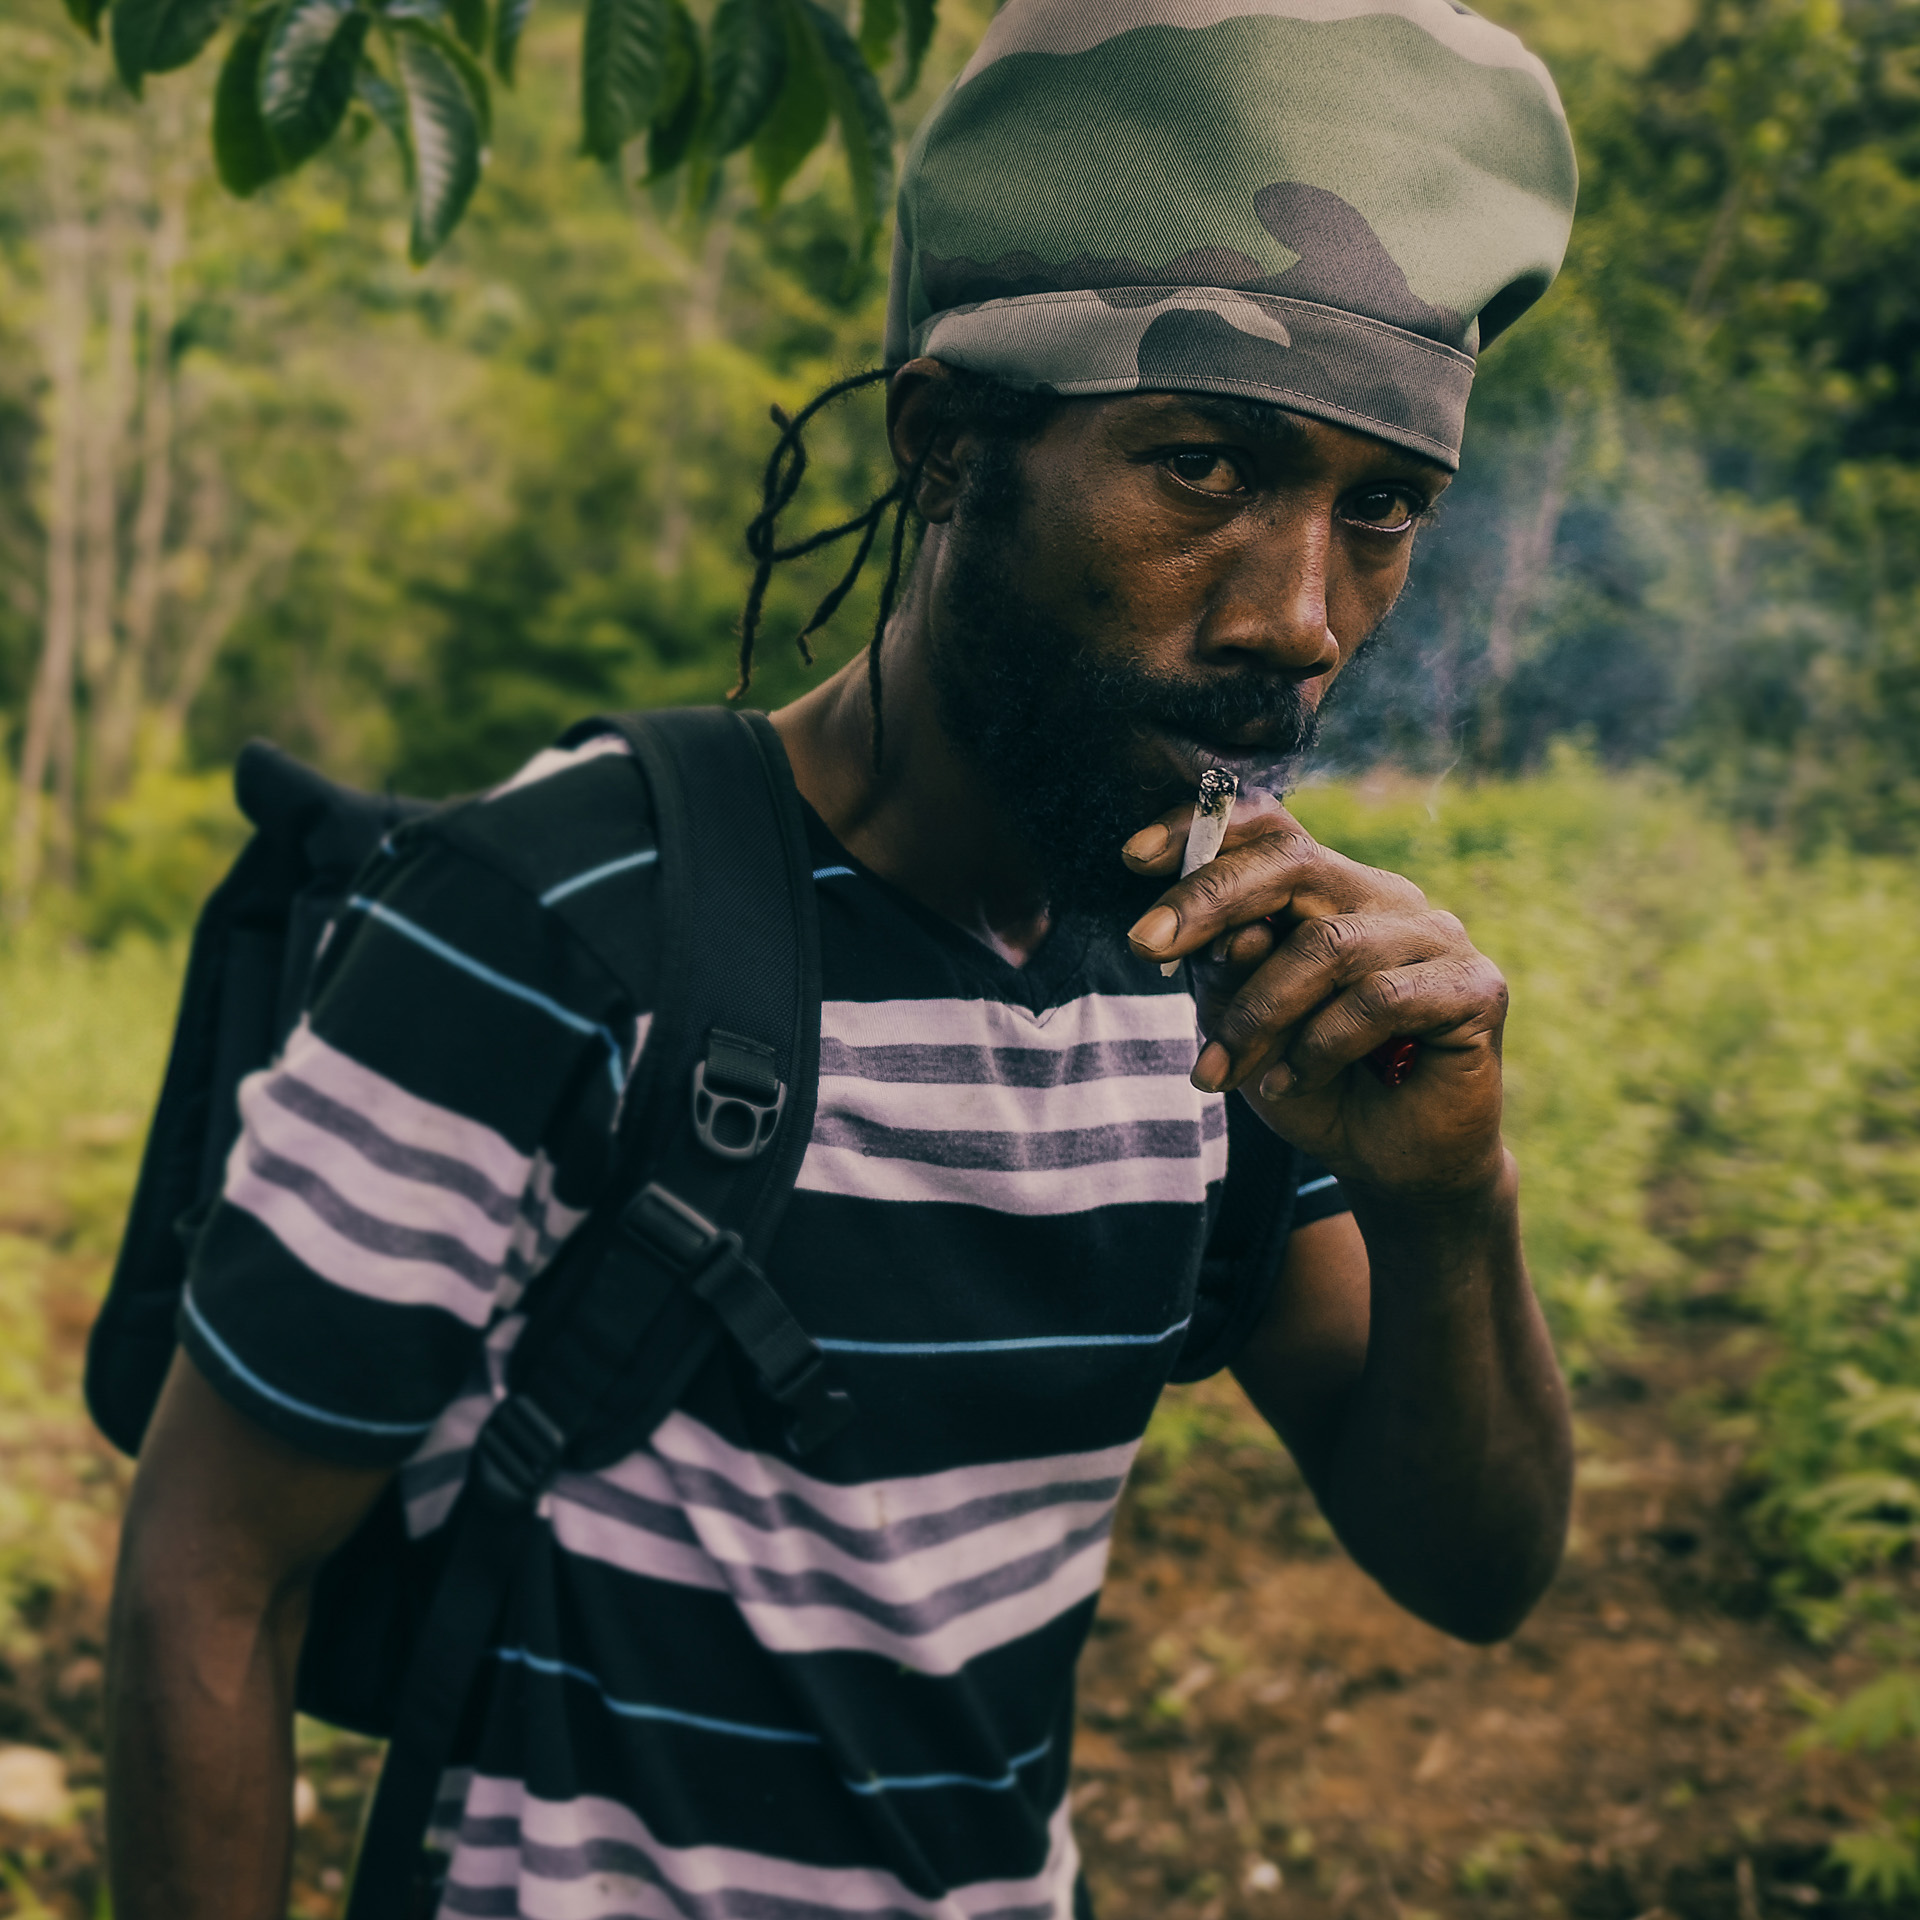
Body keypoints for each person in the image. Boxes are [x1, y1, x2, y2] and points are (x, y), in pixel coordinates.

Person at [103, 0, 1580, 1913]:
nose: (1300, 618)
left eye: (1378, 506)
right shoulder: (554, 912)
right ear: (950, 444)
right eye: (1203, 467)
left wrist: (1451, 1201)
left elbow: (1472, 1575)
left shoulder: (1217, 980)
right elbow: (208, 1582)